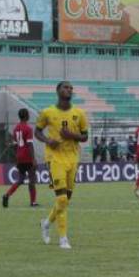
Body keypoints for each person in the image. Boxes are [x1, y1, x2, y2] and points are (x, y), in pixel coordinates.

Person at [35, 81, 89, 249]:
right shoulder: (47, 112)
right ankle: (63, 238)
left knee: (65, 201)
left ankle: (46, 223)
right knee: (62, 198)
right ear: (58, 90)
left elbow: (85, 136)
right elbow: (37, 131)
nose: (69, 90)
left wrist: (71, 135)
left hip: (73, 158)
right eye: (66, 87)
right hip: (55, 158)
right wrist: (47, 140)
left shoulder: (79, 113)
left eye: (71, 88)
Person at [2, 108, 39, 207]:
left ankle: (7, 195)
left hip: (19, 157)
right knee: (32, 179)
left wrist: (17, 156)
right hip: (27, 156)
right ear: (27, 116)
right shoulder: (28, 128)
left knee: (21, 179)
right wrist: (33, 159)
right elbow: (30, 144)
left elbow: (15, 145)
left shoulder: (16, 129)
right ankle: (33, 202)